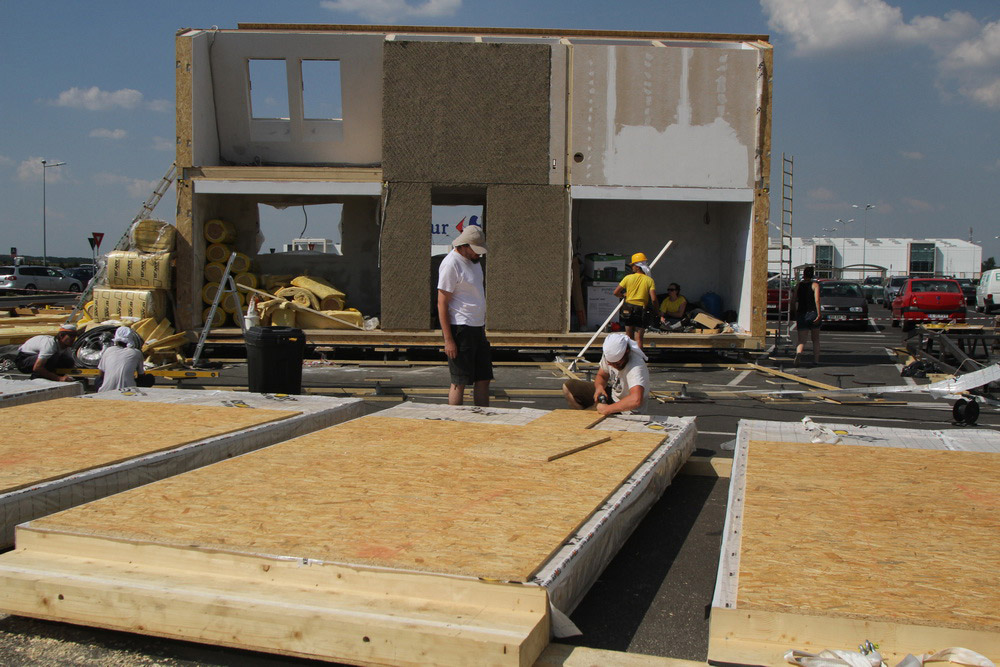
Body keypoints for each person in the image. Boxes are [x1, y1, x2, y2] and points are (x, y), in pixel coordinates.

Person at [437, 225, 493, 406]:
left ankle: (483, 419)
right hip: (460, 328)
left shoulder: (474, 263)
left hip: (477, 327)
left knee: (483, 377)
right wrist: (448, 340)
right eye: (475, 250)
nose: (478, 255)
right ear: (464, 246)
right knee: (459, 381)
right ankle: (455, 424)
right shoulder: (451, 263)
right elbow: (442, 303)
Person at [562, 332, 650, 415]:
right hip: (612, 397)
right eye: (611, 364)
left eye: (617, 364)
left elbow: (636, 399)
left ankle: (586, 421)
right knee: (569, 386)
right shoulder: (609, 355)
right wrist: (599, 387)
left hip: (627, 411)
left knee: (588, 417)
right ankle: (584, 419)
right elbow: (602, 375)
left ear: (626, 352)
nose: (614, 366)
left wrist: (607, 409)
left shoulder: (636, 366)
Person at [613, 252, 657, 350]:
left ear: (637, 266)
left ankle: (628, 361)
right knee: (639, 339)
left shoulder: (627, 278)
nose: (632, 267)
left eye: (633, 265)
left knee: (628, 337)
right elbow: (653, 299)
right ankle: (638, 361)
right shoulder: (649, 280)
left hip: (627, 308)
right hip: (641, 309)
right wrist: (656, 310)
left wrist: (623, 295)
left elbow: (615, 292)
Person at [98, 326, 151, 392]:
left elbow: (101, 374)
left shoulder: (108, 350)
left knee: (98, 379)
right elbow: (141, 375)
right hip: (128, 390)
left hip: (105, 390)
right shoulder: (136, 353)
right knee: (150, 378)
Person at [794, 266, 822, 366]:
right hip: (813, 312)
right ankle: (816, 360)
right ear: (812, 275)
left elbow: (793, 300)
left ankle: (798, 353)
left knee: (801, 340)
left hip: (802, 313)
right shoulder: (815, 285)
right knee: (815, 339)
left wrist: (794, 311)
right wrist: (819, 314)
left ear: (804, 274)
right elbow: (817, 300)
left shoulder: (798, 285)